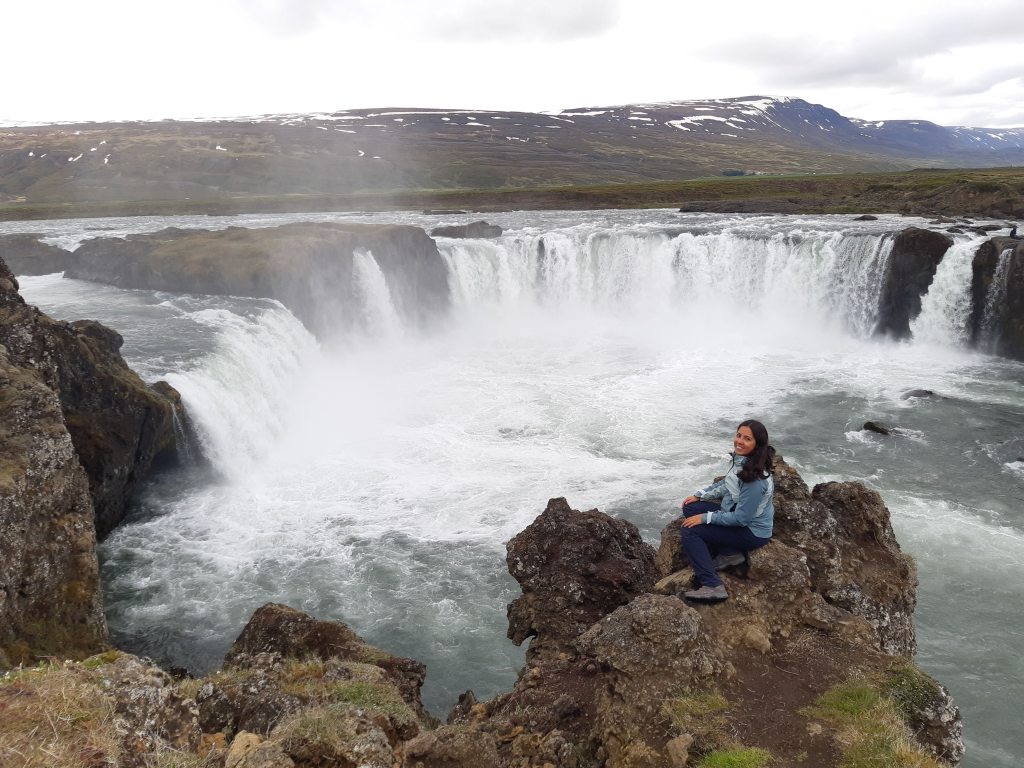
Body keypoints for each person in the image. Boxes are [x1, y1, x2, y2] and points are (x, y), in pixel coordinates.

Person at [678, 420, 776, 602]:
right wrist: (701, 495)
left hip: (752, 532)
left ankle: (712, 585)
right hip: (738, 517)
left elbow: (741, 519)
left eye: (747, 438)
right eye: (739, 435)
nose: (739, 441)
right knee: (690, 507)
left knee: (689, 530)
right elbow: (728, 483)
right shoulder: (744, 462)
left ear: (757, 445)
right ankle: (730, 553)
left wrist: (706, 518)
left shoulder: (755, 480)